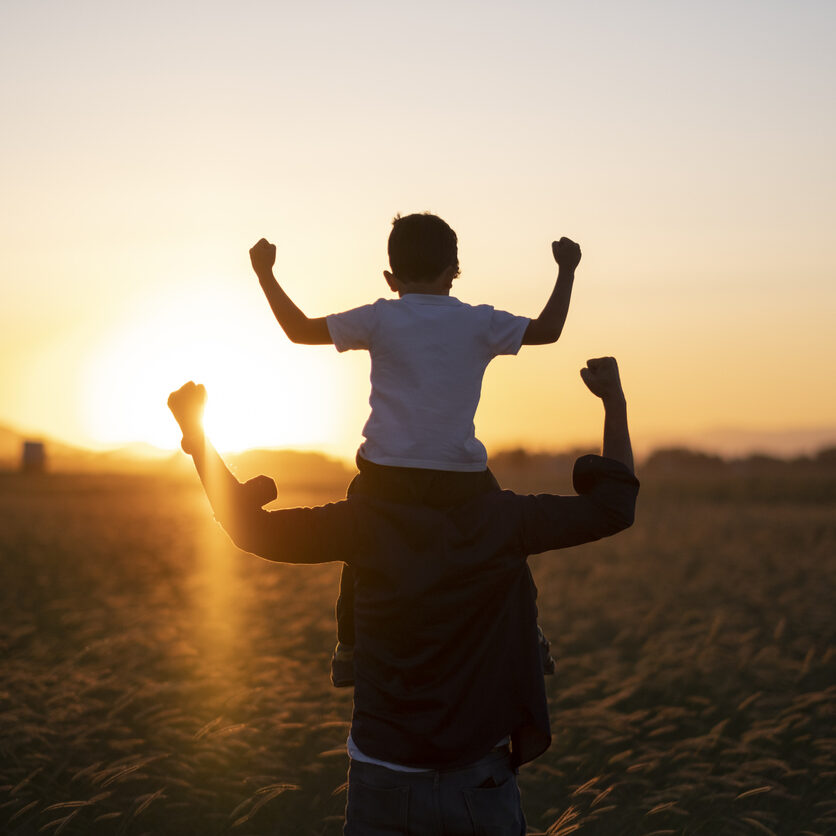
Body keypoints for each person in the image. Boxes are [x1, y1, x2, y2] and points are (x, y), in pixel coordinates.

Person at [167, 356, 639, 834]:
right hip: (481, 780)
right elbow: (613, 508)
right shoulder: (504, 519)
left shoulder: (363, 520)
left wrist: (198, 438)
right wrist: (614, 404)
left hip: (381, 777)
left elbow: (250, 528)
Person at [248, 212, 582, 685]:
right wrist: (566, 269)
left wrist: (265, 273)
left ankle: (350, 646)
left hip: (386, 473)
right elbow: (548, 329)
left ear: (390, 278)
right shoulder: (479, 321)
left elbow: (300, 329)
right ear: (456, 271)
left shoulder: (380, 316)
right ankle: (530, 634)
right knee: (509, 545)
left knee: (356, 544)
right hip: (461, 477)